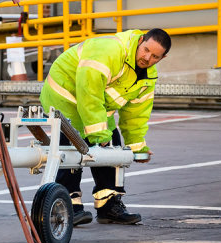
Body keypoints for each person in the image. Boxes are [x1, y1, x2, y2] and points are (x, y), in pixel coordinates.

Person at [40, 28, 171, 226]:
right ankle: (69, 207)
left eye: (155, 56)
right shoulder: (110, 49)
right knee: (73, 149)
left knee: (113, 148)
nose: (147, 58)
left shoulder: (148, 77)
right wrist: (98, 133)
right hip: (65, 97)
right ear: (141, 40)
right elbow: (88, 92)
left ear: (163, 58)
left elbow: (136, 115)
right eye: (145, 50)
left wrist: (137, 148)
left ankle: (109, 206)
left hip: (94, 104)